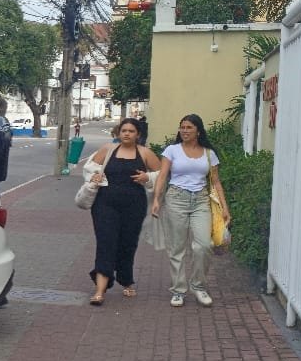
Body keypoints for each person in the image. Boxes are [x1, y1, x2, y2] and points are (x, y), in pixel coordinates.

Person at [150, 114, 231, 308]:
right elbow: (163, 175)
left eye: (189, 127)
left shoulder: (209, 153)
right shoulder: (172, 150)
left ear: (198, 131)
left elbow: (216, 182)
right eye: (182, 127)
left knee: (203, 245)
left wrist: (224, 207)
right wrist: (156, 199)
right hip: (176, 199)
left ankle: (198, 286)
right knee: (177, 248)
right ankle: (178, 290)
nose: (184, 131)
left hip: (201, 201)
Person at [86, 118, 160, 305]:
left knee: (127, 244)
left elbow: (162, 175)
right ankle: (100, 290)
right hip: (104, 204)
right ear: (119, 132)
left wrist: (147, 177)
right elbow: (90, 168)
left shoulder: (145, 153)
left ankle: (126, 280)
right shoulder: (108, 149)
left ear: (138, 134)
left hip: (134, 206)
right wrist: (94, 176)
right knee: (105, 243)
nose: (127, 134)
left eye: (131, 131)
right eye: (124, 130)